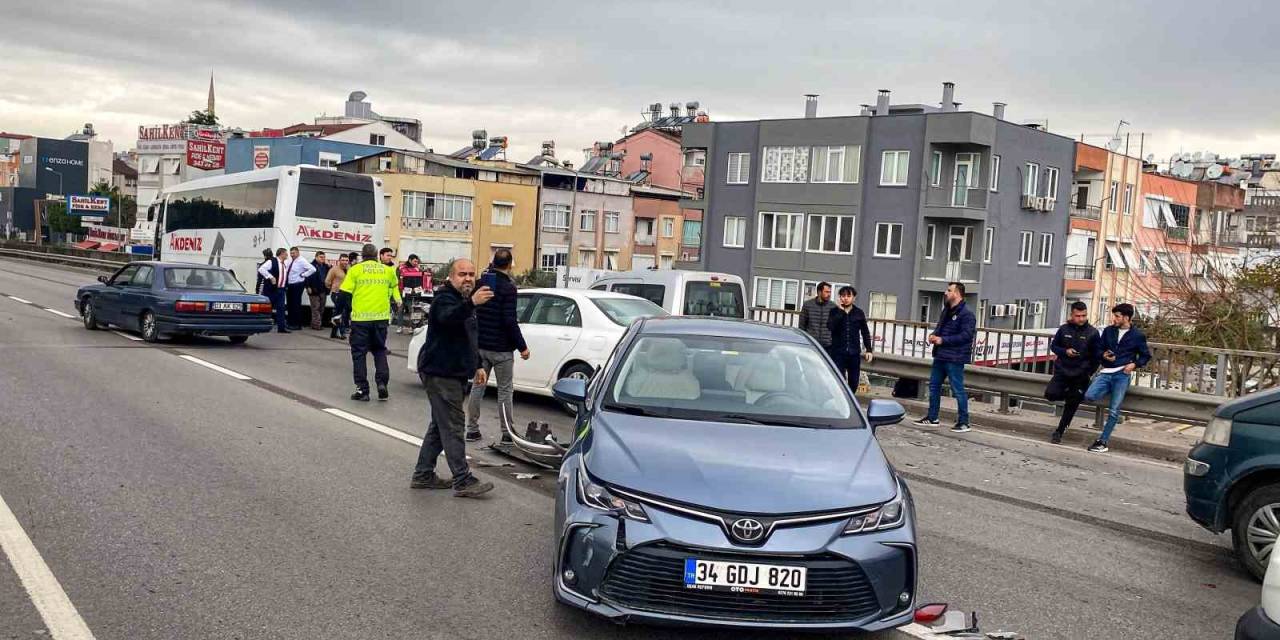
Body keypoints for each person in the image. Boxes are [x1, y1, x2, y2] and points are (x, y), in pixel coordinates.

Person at [412, 257, 495, 498]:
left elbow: (468, 336)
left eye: (471, 274)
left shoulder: (463, 300)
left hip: (454, 371)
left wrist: (477, 365)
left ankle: (423, 474)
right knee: (454, 425)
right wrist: (471, 303)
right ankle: (463, 479)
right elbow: (447, 318)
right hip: (440, 372)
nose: (468, 278)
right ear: (451, 277)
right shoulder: (444, 298)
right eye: (462, 274)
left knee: (440, 426)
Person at [466, 249, 529, 443]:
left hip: (481, 346)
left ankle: (472, 429)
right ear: (509, 264)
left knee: (478, 387)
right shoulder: (508, 288)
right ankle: (506, 432)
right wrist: (522, 347)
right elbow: (510, 321)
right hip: (501, 349)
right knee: (504, 390)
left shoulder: (481, 283)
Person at [1081, 303, 1152, 453]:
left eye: (1117, 316)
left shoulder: (1138, 336)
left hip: (1122, 375)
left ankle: (1103, 441)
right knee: (1089, 395)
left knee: (1114, 410)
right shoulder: (1108, 331)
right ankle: (1107, 389)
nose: (1115, 318)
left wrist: (1134, 364)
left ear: (1126, 318)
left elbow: (1145, 356)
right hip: (1106, 372)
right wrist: (1103, 355)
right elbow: (1099, 348)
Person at [340, 243, 402, 401]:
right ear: (376, 255)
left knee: (359, 354)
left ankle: (362, 390)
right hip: (381, 319)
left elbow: (344, 293)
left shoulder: (355, 270)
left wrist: (348, 311)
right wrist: (397, 301)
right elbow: (394, 288)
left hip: (361, 319)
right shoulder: (387, 270)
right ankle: (382, 384)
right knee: (380, 350)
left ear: (362, 255)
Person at [914, 282, 976, 433]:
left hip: (955, 358)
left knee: (957, 389)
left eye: (949, 290)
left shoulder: (967, 314)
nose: (946, 293)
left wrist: (944, 340)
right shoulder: (946, 310)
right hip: (940, 355)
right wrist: (934, 335)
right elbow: (940, 328)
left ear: (957, 293)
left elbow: (966, 336)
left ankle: (963, 422)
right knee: (934, 387)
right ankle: (932, 417)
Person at [1047, 302, 1100, 445]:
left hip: (1080, 374)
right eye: (1078, 316)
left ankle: (1059, 431)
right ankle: (1072, 395)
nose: (1081, 318)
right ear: (1072, 315)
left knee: (1071, 404)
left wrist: (1088, 371)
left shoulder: (1093, 333)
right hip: (1063, 371)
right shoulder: (1064, 329)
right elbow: (1054, 346)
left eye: (1084, 315)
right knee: (1050, 394)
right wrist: (1065, 351)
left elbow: (1096, 356)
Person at [827, 286, 873, 391]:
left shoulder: (859, 313)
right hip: (838, 353)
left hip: (854, 353)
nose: (846, 298)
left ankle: (850, 400)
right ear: (839, 297)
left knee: (854, 382)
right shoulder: (834, 311)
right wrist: (840, 312)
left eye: (849, 296)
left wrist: (869, 350)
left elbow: (865, 332)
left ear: (854, 298)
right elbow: (830, 327)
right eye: (843, 296)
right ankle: (841, 402)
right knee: (839, 381)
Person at [257, 248, 290, 333]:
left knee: (281, 308)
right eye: (286, 253)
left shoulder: (284, 264)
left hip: (281, 290)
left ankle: (281, 328)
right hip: (272, 289)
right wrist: (270, 277)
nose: (287, 255)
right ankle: (261, 325)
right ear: (281, 253)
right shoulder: (272, 261)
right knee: (267, 308)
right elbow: (261, 269)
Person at [283, 246, 316, 330]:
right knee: (290, 304)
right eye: (291, 253)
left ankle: (296, 324)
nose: (292, 255)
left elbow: (313, 269)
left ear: (298, 253)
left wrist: (303, 275)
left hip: (297, 284)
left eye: (293, 253)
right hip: (290, 284)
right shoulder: (291, 260)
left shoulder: (302, 261)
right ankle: (290, 322)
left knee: (296, 305)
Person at [798, 282, 835, 352]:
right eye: (827, 292)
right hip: (811, 344)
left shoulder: (833, 306)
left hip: (828, 346)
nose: (829, 294)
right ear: (819, 292)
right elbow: (802, 325)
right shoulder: (807, 305)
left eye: (830, 292)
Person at [396, 254, 425, 334]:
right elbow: (397, 279)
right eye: (415, 261)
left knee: (412, 311)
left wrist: (415, 290)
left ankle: (412, 328)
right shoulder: (401, 268)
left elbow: (420, 282)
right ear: (410, 260)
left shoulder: (417, 269)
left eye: (417, 261)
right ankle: (399, 327)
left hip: (412, 294)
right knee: (400, 310)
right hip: (401, 293)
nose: (416, 263)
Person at [326, 254, 350, 339]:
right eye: (343, 260)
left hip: (346, 294)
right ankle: (342, 332)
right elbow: (327, 281)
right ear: (339, 260)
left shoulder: (349, 270)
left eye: (346, 260)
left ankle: (333, 333)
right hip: (336, 293)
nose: (345, 262)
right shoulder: (334, 269)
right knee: (341, 313)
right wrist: (333, 288)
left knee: (338, 313)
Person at [306, 251, 331, 331]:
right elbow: (306, 276)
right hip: (314, 289)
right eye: (321, 257)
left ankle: (314, 323)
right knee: (315, 308)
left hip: (323, 290)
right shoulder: (311, 265)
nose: (323, 259)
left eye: (324, 257)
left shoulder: (326, 266)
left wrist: (330, 266)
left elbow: (331, 273)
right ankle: (317, 325)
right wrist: (307, 286)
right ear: (316, 257)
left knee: (321, 308)